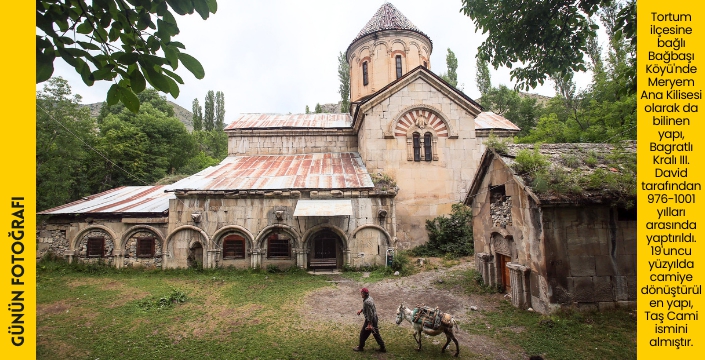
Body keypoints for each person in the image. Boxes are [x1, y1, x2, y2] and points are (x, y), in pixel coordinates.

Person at [353, 287, 386, 352]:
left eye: (361, 293)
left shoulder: (366, 302)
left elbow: (370, 313)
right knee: (375, 333)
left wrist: (369, 324)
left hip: (370, 320)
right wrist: (361, 310)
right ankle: (382, 347)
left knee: (363, 333)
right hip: (375, 318)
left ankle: (360, 347)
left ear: (364, 294)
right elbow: (370, 309)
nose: (360, 294)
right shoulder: (370, 298)